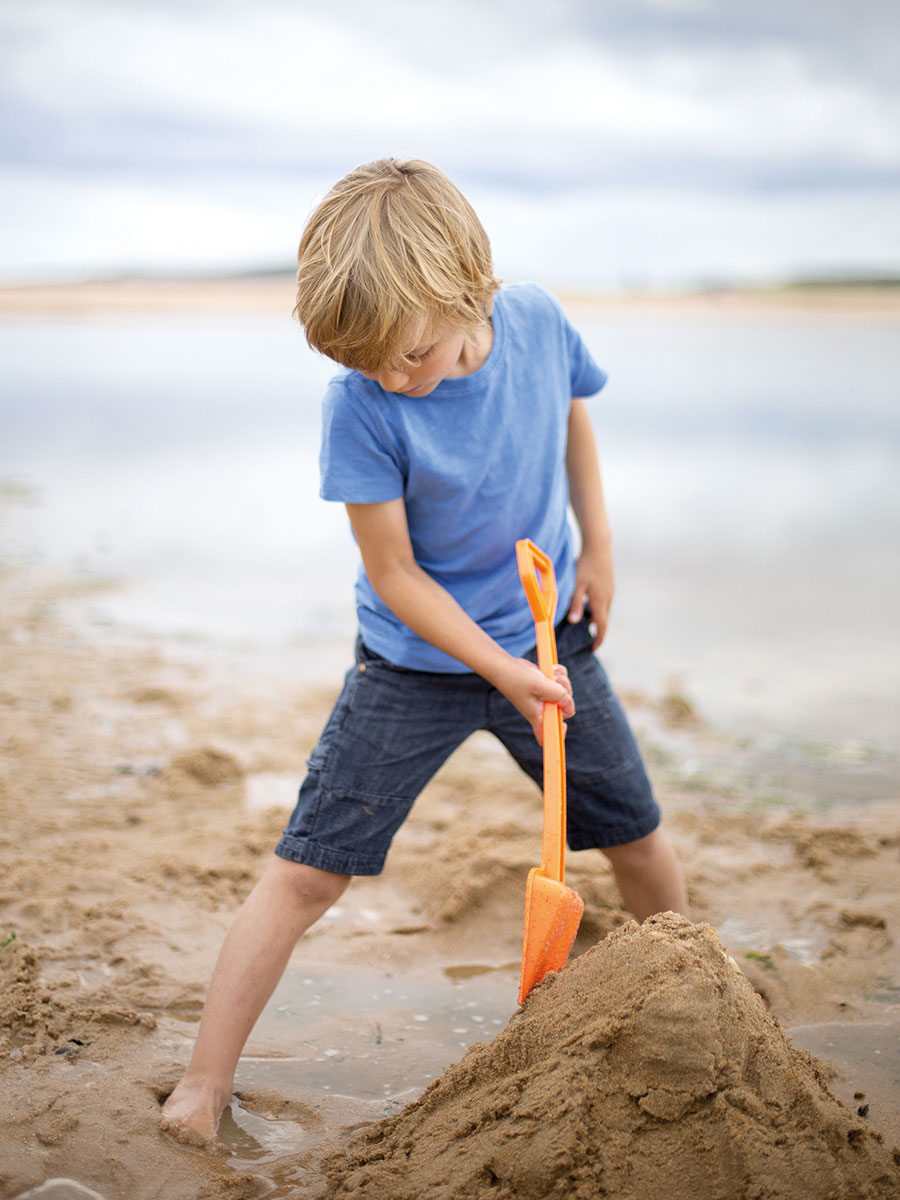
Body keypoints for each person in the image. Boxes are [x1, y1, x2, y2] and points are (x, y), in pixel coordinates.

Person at [161, 157, 689, 1140]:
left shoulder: (536, 322)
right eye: (365, 363)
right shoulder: (360, 406)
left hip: (549, 635)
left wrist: (601, 550)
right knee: (307, 870)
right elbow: (396, 572)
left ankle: (697, 1012)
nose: (390, 379)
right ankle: (203, 1083)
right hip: (411, 662)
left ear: (468, 287)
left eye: (409, 354)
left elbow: (573, 413)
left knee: (637, 838)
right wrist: (501, 672)